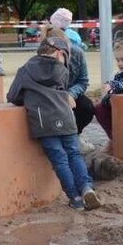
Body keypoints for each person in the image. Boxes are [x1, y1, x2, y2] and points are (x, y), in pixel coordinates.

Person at [6, 36, 101, 211]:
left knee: (60, 160)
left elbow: (12, 96)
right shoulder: (62, 70)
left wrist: (27, 97)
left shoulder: (25, 69)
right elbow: (62, 90)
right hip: (66, 117)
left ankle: (75, 198)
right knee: (74, 154)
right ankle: (87, 187)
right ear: (59, 53)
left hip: (44, 122)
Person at [40, 25, 95, 153]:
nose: (64, 53)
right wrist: (59, 96)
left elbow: (83, 81)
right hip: (50, 97)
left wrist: (70, 94)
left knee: (86, 107)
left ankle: (76, 135)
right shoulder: (42, 58)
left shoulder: (77, 53)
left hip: (70, 94)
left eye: (67, 47)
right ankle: (57, 140)